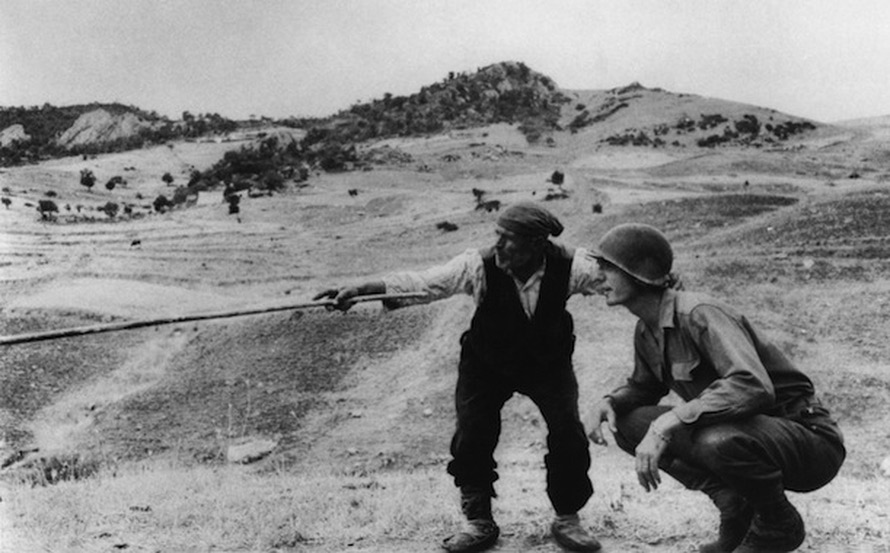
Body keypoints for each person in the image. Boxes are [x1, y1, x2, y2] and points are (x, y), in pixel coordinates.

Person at [315, 201, 604, 553]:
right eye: (497, 236)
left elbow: (618, 276)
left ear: (536, 244)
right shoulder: (477, 266)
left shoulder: (572, 265)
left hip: (547, 364)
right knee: (472, 434)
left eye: (508, 239)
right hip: (487, 364)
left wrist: (660, 280)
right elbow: (423, 284)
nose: (497, 246)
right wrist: (361, 290)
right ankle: (478, 521)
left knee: (568, 432)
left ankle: (567, 519)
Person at [586, 223, 845, 553]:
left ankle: (777, 524)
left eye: (606, 267)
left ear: (638, 273)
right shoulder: (646, 330)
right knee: (628, 421)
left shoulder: (698, 313)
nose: (597, 277)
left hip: (808, 440)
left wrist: (669, 421)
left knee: (714, 440)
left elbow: (751, 386)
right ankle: (734, 507)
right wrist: (609, 402)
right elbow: (643, 388)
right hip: (748, 436)